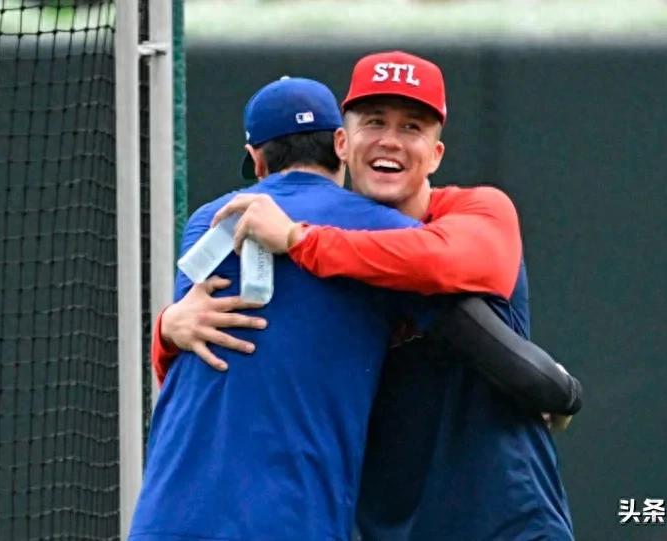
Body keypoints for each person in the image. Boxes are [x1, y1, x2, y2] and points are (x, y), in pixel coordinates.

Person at [132, 75, 580, 541]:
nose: (390, 140)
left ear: (257, 161)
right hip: (294, 519)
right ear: (340, 146)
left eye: (410, 126)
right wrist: (559, 390)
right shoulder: (384, 231)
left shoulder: (208, 222)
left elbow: (181, 370)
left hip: (164, 517)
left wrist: (165, 329)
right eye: (376, 123)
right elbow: (509, 361)